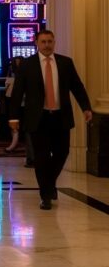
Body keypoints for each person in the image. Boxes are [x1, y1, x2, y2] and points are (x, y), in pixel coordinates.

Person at [9, 29, 92, 210]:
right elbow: (17, 92)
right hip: (38, 118)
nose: (47, 45)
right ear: (37, 43)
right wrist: (13, 116)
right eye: (43, 42)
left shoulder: (65, 63)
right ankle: (45, 195)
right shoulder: (27, 65)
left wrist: (86, 107)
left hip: (60, 116)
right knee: (41, 158)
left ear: (54, 43)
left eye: (50, 41)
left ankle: (49, 183)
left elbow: (77, 86)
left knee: (62, 153)